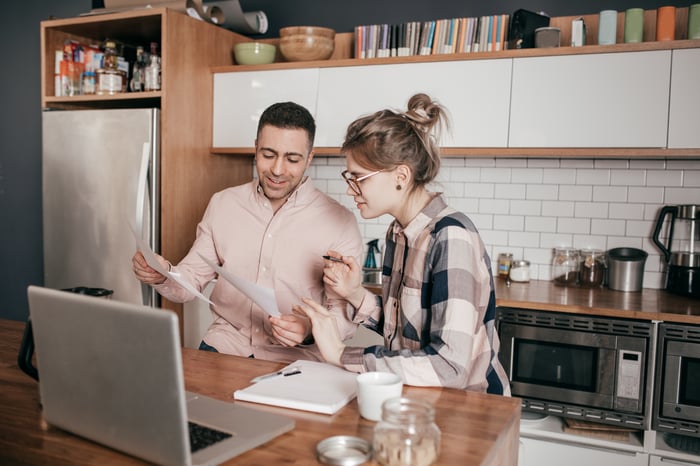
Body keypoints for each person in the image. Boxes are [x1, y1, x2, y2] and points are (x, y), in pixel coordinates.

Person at [295, 93, 510, 395]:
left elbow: (450, 367)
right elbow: (407, 332)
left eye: (359, 178)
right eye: (349, 177)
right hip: (418, 398)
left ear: (401, 175)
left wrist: (341, 354)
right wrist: (355, 294)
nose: (350, 189)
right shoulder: (398, 234)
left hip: (469, 410)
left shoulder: (451, 236)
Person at [132, 101, 363, 362]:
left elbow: (344, 315)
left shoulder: (340, 222)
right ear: (255, 149)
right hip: (225, 346)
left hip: (296, 361)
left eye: (292, 159)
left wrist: (310, 329)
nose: (277, 169)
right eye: (268, 154)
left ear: (309, 158)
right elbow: (191, 280)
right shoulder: (223, 203)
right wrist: (162, 273)